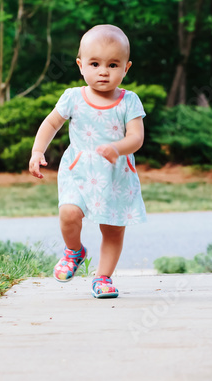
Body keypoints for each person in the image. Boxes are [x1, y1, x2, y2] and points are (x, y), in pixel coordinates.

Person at [28, 24, 148, 299]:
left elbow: (137, 138)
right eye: (95, 64)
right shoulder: (73, 97)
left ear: (126, 68)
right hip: (79, 170)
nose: (104, 71)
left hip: (116, 175)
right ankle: (74, 250)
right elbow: (51, 124)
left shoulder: (129, 101)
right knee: (69, 212)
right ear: (81, 66)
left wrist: (117, 148)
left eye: (113, 64)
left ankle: (103, 278)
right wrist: (37, 151)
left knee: (113, 229)